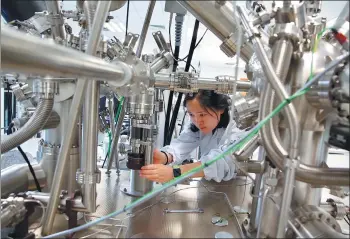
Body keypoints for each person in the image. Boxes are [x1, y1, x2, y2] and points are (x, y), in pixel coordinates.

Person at [139, 90, 246, 183]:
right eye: (191, 115)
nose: (197, 121)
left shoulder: (237, 129)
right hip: (208, 187)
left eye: (202, 114)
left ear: (220, 109)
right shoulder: (198, 127)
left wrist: (175, 172)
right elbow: (182, 144)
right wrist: (165, 157)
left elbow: (221, 162)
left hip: (235, 189)